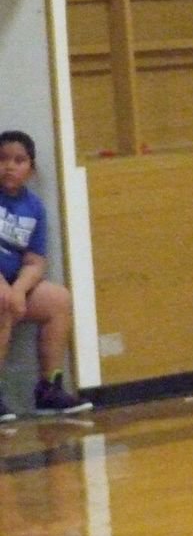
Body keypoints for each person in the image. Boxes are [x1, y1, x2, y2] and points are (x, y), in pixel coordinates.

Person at [0, 130, 92, 421]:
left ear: (31, 167)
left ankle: (49, 389)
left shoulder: (35, 208)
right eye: (2, 159)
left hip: (13, 285)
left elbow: (35, 261)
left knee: (58, 299)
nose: (10, 166)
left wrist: (19, 289)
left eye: (19, 160)